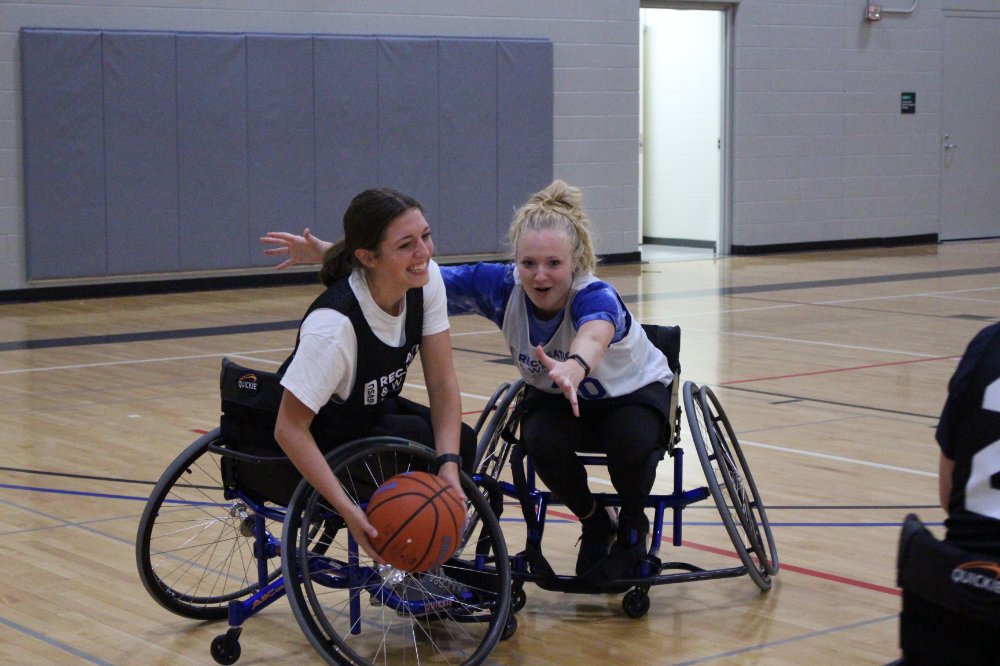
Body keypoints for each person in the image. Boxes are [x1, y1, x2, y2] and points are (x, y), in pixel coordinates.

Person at [262, 180, 674, 579]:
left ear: (577, 261)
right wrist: (333, 254)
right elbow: (406, 273)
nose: (540, 276)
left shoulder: (595, 295)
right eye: (528, 263)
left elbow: (596, 331)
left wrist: (576, 365)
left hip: (630, 393)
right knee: (540, 441)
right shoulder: (499, 287)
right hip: (556, 396)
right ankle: (595, 519)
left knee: (630, 439)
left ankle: (633, 524)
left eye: (554, 264)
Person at [271, 187, 476, 563]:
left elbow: (443, 385)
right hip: (322, 433)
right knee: (417, 441)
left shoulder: (425, 282)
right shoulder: (333, 328)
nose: (425, 253)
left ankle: (430, 557)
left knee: (460, 440)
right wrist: (348, 510)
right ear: (368, 257)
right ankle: (412, 567)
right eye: (407, 245)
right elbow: (288, 428)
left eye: (426, 236)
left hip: (368, 413)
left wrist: (450, 462)